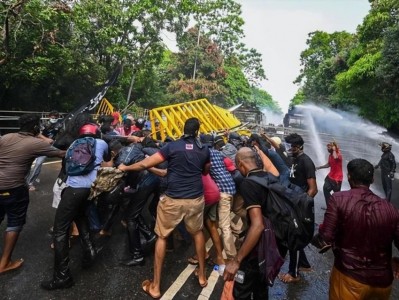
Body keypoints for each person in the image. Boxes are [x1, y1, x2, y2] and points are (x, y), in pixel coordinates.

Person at [118, 117, 210, 299]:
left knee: (162, 236)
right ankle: (202, 276)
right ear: (197, 132)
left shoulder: (172, 147)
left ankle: (156, 287)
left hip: (173, 199)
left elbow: (145, 164)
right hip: (195, 199)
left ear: (184, 129)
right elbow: (205, 171)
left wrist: (125, 167)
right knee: (198, 233)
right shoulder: (204, 149)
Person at [41, 123, 110, 290]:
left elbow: (66, 165)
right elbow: (107, 160)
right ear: (96, 133)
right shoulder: (102, 143)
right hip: (90, 190)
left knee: (60, 230)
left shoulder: (73, 144)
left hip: (73, 190)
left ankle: (62, 277)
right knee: (80, 218)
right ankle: (90, 252)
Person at [319, 158, 399, 300]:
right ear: (372, 179)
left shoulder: (339, 199)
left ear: (349, 177)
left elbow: (326, 235)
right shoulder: (391, 209)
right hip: (382, 282)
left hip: (349, 278)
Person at [0, 114, 65, 274]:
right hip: (14, 188)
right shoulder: (35, 143)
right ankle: (4, 263)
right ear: (36, 128)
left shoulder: (6, 137)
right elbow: (62, 153)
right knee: (14, 223)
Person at [224, 147, 270, 299]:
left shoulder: (248, 183)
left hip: (255, 250)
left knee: (241, 289)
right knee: (261, 290)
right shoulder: (269, 176)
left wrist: (237, 261)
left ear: (240, 163)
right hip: (270, 247)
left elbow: (257, 225)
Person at [279, 133, 317, 283]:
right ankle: (304, 264)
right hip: (293, 201)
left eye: (291, 146)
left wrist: (301, 207)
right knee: (295, 236)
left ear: (299, 147)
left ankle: (293, 274)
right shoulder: (295, 159)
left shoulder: (306, 162)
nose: (289, 148)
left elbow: (313, 189)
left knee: (293, 238)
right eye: (288, 145)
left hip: (299, 205)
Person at [27, 110, 62, 191]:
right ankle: (24, 179)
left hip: (48, 147)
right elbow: (36, 134)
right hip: (37, 145)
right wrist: (46, 139)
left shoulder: (59, 125)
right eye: (53, 117)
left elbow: (60, 135)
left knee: (38, 164)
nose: (54, 118)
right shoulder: (43, 124)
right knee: (28, 162)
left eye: (56, 117)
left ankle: (30, 183)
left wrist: (55, 141)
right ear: (49, 116)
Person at [316, 141, 343, 207]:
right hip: (330, 176)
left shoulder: (338, 154)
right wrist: (319, 167)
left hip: (337, 178)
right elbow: (329, 164)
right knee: (325, 189)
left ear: (334, 148)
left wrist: (334, 149)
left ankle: (336, 207)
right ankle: (330, 206)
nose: (327, 149)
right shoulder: (330, 155)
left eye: (329, 147)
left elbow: (336, 157)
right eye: (327, 147)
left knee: (337, 195)